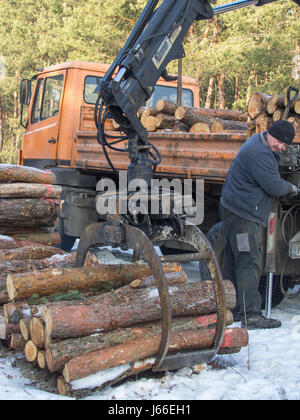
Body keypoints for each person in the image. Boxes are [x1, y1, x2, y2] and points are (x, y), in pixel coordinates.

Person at [220, 120, 299, 330]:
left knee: (232, 260)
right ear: (271, 134)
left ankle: (231, 308)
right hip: (242, 214)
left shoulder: (259, 141)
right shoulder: (259, 153)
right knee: (249, 260)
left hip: (233, 208)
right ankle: (251, 315)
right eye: (280, 142)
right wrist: (293, 189)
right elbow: (274, 186)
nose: (281, 147)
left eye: (284, 145)